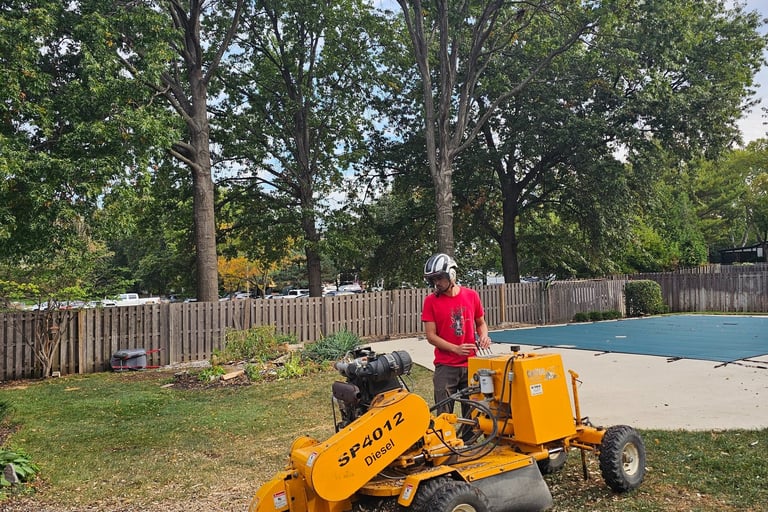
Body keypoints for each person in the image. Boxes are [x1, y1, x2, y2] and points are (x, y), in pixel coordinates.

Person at [421, 253, 492, 416]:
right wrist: (456, 349)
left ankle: (470, 442)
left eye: (439, 278)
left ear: (451, 274)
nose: (436, 283)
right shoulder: (430, 301)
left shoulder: (471, 295)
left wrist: (484, 336)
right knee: (445, 414)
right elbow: (431, 336)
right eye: (433, 279)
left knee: (473, 413)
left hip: (471, 364)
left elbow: (481, 323)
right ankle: (446, 440)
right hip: (446, 366)